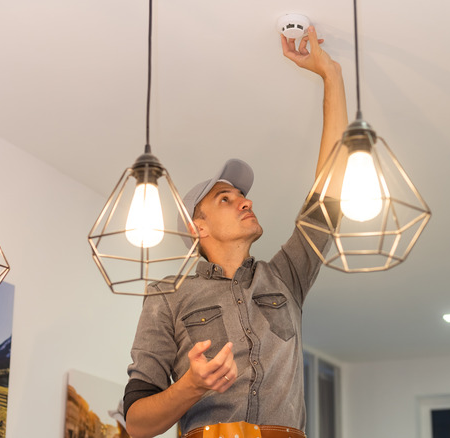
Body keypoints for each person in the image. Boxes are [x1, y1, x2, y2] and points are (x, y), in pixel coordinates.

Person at [123, 26, 348, 438]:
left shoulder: (286, 277)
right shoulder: (166, 297)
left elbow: (328, 196)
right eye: (226, 198)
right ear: (198, 227)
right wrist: (192, 385)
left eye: (243, 196)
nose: (246, 201)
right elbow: (137, 423)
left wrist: (331, 75)